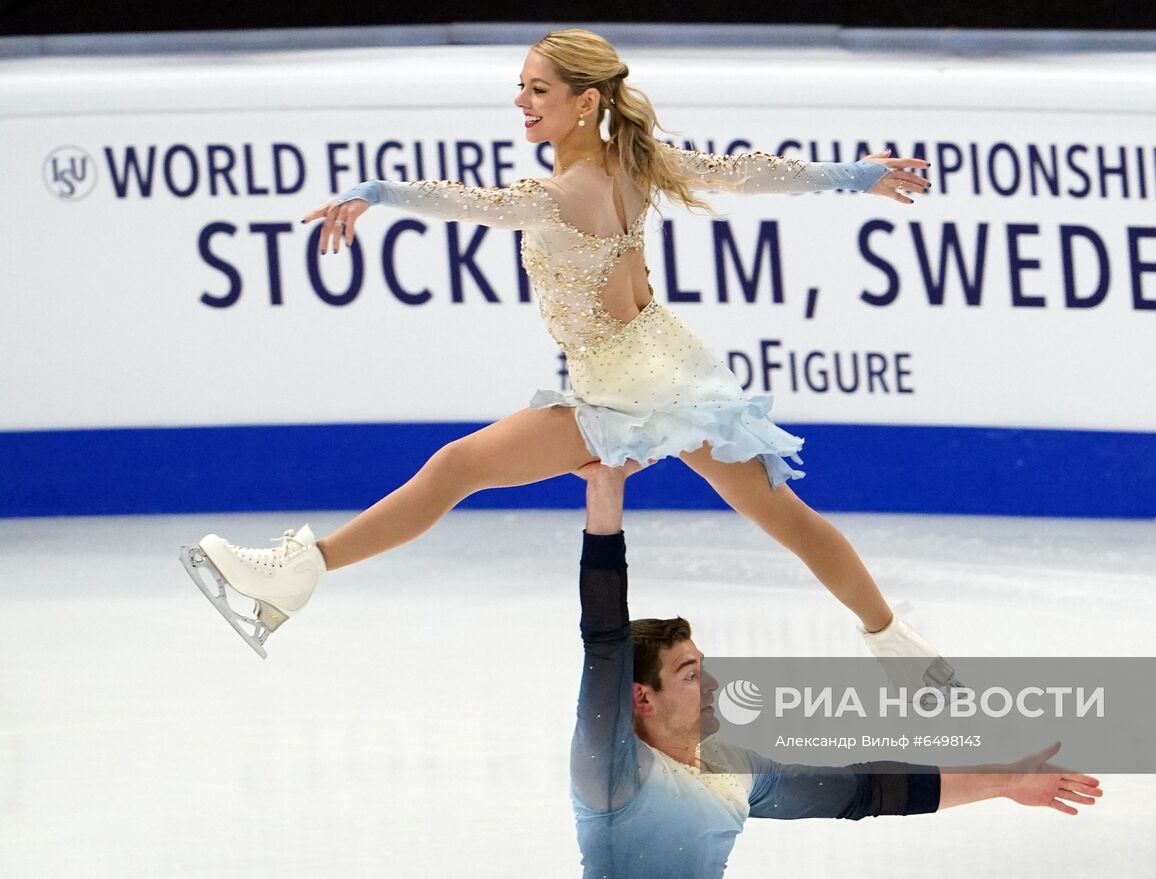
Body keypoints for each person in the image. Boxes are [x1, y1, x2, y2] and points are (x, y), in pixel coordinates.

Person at [179, 28, 954, 682]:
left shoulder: (558, 195)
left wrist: (379, 192)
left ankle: (297, 574)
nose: (521, 102)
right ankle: (901, 648)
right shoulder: (638, 164)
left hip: (625, 388)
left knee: (456, 467)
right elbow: (742, 172)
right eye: (520, 87)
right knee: (787, 517)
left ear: (586, 100)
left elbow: (467, 203)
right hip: (670, 369)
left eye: (537, 90)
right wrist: (853, 177)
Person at [571, 460, 1102, 878]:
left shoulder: (731, 770)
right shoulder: (612, 767)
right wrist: (606, 490)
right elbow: (605, 641)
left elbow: (866, 789)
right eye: (689, 674)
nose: (712, 684)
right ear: (642, 697)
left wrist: (1004, 780)